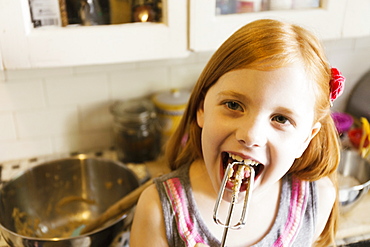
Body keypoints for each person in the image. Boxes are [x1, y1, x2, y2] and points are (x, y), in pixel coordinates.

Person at [130, 19, 345, 247]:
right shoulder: (158, 211)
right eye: (233, 105)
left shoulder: (316, 201)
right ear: (202, 108)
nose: (251, 135)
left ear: (305, 139)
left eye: (281, 119)